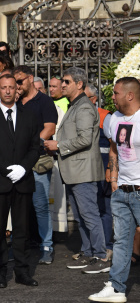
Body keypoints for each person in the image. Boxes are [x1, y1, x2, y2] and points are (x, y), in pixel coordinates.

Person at [0, 74, 40, 289]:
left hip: (23, 180)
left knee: (23, 229)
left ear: (17, 90)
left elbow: (35, 146)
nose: (6, 91)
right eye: (3, 87)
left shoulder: (30, 116)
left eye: (11, 87)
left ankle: (23, 271)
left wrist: (23, 167)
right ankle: (0, 271)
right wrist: (6, 169)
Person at [44, 67, 108, 274]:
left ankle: (99, 255)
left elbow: (85, 139)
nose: (62, 84)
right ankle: (89, 252)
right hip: (74, 170)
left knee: (89, 214)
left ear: (79, 84)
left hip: (83, 171)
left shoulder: (84, 108)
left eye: (66, 81)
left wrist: (59, 145)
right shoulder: (76, 105)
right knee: (81, 215)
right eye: (62, 81)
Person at [88, 77, 140, 303]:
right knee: (121, 240)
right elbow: (114, 148)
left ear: (130, 95)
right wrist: (114, 179)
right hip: (121, 191)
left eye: (116, 93)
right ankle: (117, 288)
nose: (112, 97)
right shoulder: (113, 119)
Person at [14, 65, 58, 265]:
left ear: (30, 78)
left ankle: (46, 245)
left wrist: (30, 145)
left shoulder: (44, 101)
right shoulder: (14, 101)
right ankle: (19, 245)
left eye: (20, 81)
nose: (17, 85)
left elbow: (49, 128)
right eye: (15, 82)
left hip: (38, 160)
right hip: (17, 161)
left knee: (40, 206)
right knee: (18, 205)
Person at [85, 84, 114, 261]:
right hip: (87, 168)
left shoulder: (105, 116)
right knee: (89, 208)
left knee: (104, 208)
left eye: (85, 97)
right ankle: (92, 247)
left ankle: (106, 247)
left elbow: (113, 144)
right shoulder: (79, 114)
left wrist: (110, 169)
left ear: (94, 99)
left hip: (103, 167)